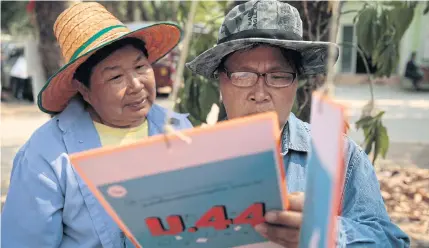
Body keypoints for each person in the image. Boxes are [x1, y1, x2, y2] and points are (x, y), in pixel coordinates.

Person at [186, 0, 410, 247]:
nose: (260, 93)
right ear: (221, 82)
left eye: (279, 76)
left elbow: (392, 241)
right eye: (243, 76)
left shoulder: (339, 156)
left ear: (295, 84)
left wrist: (328, 232)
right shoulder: (186, 158)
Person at [2, 2, 191, 247]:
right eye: (115, 76)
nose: (136, 85)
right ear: (84, 90)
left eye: (140, 67)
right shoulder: (46, 155)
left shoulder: (180, 130)